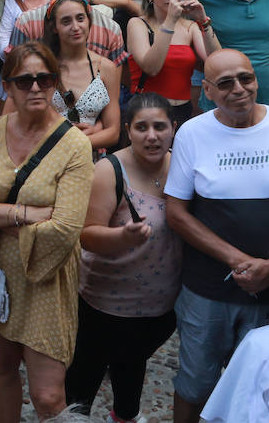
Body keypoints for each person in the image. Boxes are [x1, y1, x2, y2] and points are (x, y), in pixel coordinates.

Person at [164, 48, 269, 423]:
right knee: (195, 385)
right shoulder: (192, 133)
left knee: (264, 391)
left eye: (246, 78)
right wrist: (238, 261)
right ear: (207, 90)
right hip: (207, 291)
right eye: (225, 83)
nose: (239, 89)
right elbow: (176, 213)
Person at [0, 40, 92, 422]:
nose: (35, 88)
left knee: (48, 396)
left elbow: (64, 228)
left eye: (44, 79)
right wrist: (26, 214)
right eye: (24, 80)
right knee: (1, 369)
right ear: (7, 86)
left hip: (44, 278)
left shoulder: (75, 146)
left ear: (55, 84)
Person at [65, 93, 182, 422]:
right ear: (128, 131)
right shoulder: (108, 171)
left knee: (131, 373)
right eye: (142, 127)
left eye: (160, 126)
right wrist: (122, 236)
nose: (152, 135)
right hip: (105, 308)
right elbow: (86, 235)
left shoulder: (183, 166)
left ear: (174, 128)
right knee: (80, 386)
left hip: (159, 308)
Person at [128, 0, 217, 126]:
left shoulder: (189, 27)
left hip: (183, 110)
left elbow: (217, 62)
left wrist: (203, 20)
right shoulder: (137, 24)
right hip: (148, 111)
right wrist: (170, 21)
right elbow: (151, 68)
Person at [42, 0, 121, 151]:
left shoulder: (105, 68)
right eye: (66, 21)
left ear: (89, 20)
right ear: (55, 27)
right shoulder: (42, 67)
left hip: (91, 160)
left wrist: (76, 142)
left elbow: (113, 131)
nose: (75, 27)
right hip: (49, 158)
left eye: (80, 18)